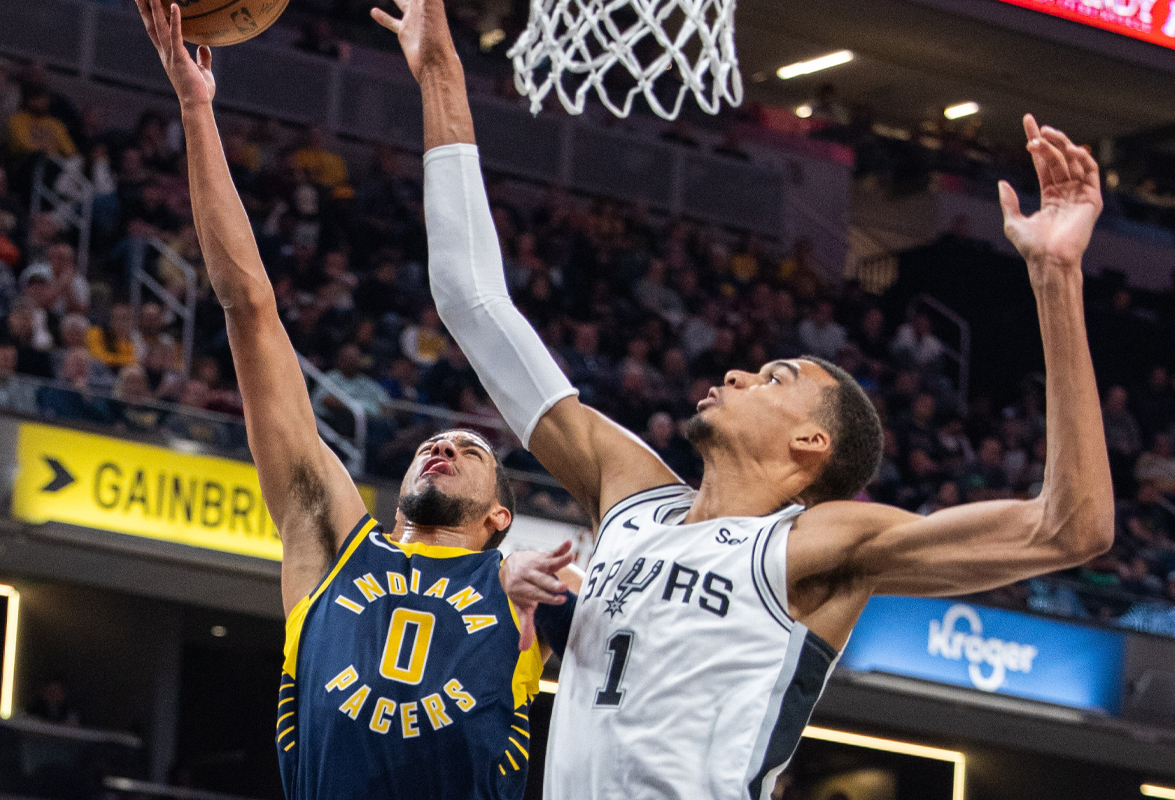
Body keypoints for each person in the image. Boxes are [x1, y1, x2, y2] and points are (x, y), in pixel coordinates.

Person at [407, 9, 1114, 792]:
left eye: (776, 378)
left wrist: (1055, 278)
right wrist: (441, 73)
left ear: (812, 445)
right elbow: (472, 302)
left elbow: (1070, 528)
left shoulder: (815, 544)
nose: (740, 376)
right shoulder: (630, 496)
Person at [132, 3, 574, 798]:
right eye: (432, 444)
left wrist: (537, 599)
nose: (442, 447)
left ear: (498, 517)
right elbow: (249, 308)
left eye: (470, 450)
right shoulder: (331, 541)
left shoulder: (514, 587)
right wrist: (196, 109)